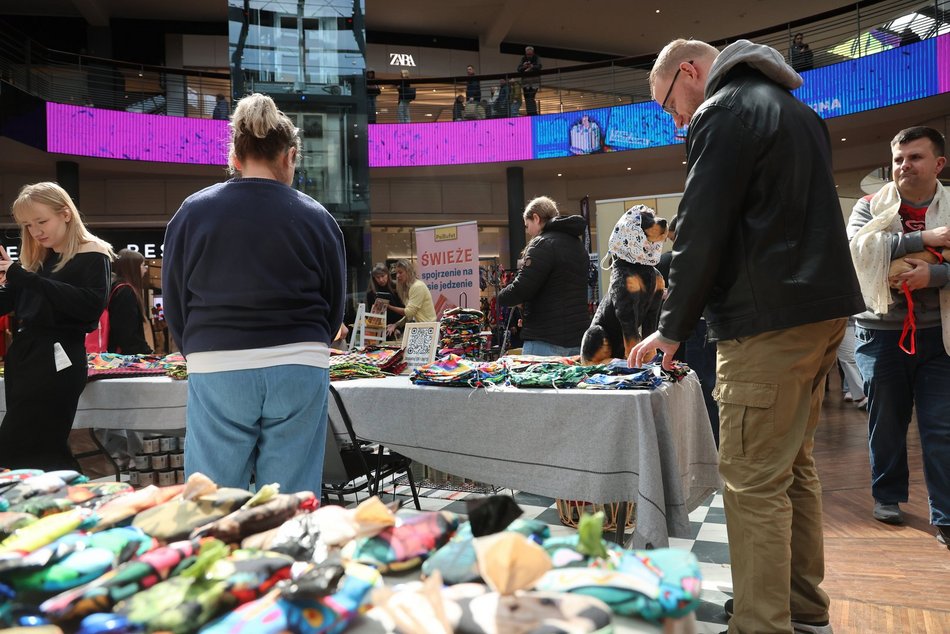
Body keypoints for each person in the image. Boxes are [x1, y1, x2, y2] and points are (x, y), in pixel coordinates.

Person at [630, 39, 864, 634]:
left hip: (767, 323)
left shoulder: (722, 111)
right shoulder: (795, 109)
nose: (675, 119)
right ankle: (802, 608)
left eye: (668, 104)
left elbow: (700, 230)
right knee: (792, 469)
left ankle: (762, 623)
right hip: (819, 315)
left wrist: (670, 329)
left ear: (689, 71)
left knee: (752, 480)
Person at [162, 92, 346, 494]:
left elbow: (174, 298)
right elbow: (334, 305)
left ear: (234, 156)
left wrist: (196, 348)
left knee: (212, 497)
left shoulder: (193, 211)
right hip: (299, 360)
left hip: (217, 359)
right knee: (291, 497)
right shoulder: (318, 217)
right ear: (290, 156)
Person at [847, 126, 950, 549]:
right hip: (880, 334)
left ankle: (946, 514)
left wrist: (935, 274)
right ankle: (887, 496)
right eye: (899, 159)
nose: (905, 165)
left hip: (940, 337)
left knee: (941, 426)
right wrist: (922, 239)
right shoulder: (868, 206)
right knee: (886, 422)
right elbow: (857, 251)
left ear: (939, 163)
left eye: (915, 157)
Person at [0, 182, 114, 471]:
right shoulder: (39, 258)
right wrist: (14, 277)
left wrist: (22, 276)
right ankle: (63, 494)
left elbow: (89, 307)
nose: (35, 231)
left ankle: (71, 492)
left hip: (57, 356)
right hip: (25, 356)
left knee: (26, 446)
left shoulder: (93, 252)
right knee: (31, 447)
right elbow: (10, 302)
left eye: (41, 221)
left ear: (65, 214)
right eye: (28, 225)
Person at [497, 196, 590, 356]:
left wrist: (501, 296)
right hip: (577, 340)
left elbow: (522, 288)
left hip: (545, 339)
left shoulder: (542, 244)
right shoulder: (577, 245)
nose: (527, 231)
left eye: (527, 225)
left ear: (536, 218)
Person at [386, 259, 436, 337]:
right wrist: (396, 325)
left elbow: (408, 312)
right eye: (396, 273)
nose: (397, 276)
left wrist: (389, 306)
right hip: (422, 329)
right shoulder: (409, 288)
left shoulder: (417, 286)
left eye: (400, 272)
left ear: (408, 272)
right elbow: (410, 315)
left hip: (427, 330)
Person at [365, 262, 405, 330]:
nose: (381, 280)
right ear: (374, 278)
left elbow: (404, 310)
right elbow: (370, 314)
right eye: (378, 277)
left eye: (383, 276)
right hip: (380, 328)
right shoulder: (371, 294)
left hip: (399, 325)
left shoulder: (397, 287)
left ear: (387, 275)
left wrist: (397, 326)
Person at [517, 46, 542, 115]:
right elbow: (518, 69)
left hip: (534, 82)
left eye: (530, 54)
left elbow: (539, 66)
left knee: (531, 97)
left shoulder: (536, 58)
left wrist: (532, 66)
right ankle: (530, 112)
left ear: (533, 53)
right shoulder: (523, 58)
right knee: (527, 98)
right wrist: (524, 66)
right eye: (527, 54)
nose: (529, 56)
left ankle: (533, 113)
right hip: (525, 83)